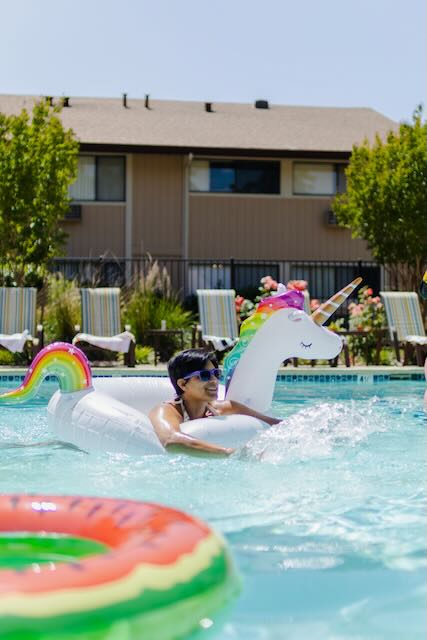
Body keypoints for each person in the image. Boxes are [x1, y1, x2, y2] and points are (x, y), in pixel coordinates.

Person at [149, 348, 280, 456]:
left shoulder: (226, 408)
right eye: (204, 375)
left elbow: (276, 424)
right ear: (183, 384)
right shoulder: (166, 411)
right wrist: (230, 453)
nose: (214, 380)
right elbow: (171, 441)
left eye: (216, 373)